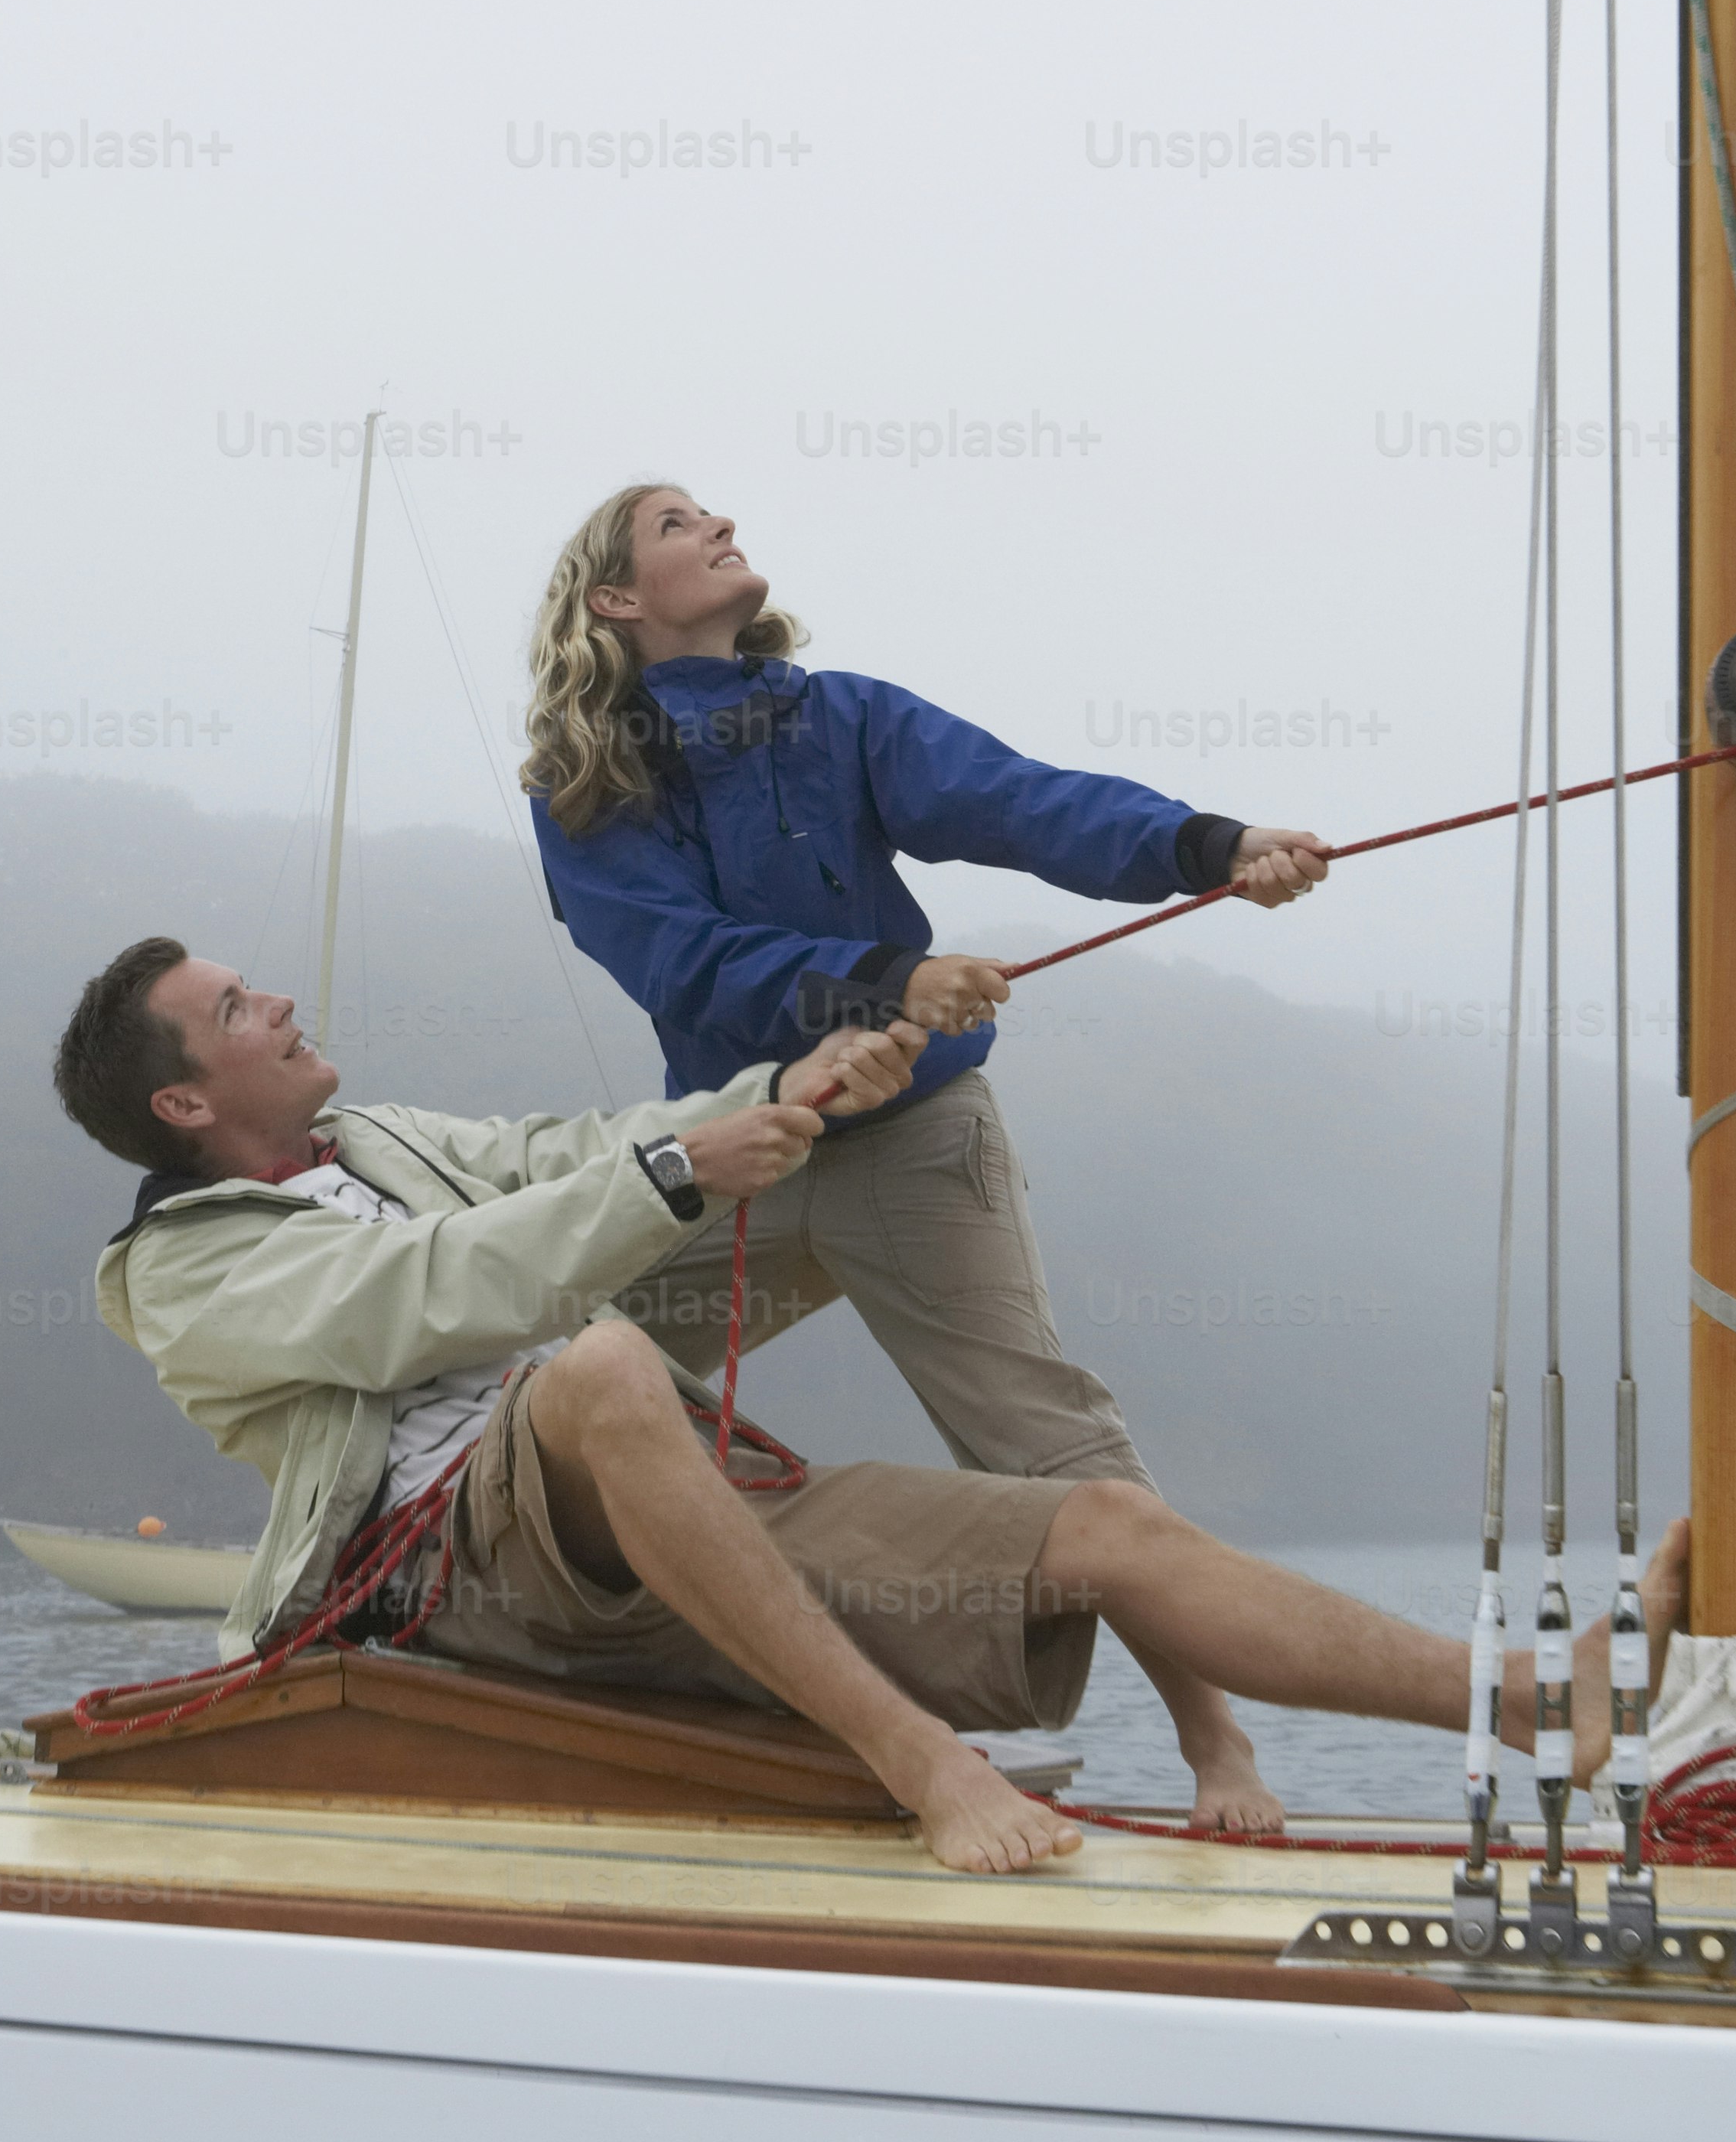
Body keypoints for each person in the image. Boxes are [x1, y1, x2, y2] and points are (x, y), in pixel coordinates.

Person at [58, 937, 1684, 1870]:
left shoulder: (385, 1139)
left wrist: (790, 1089)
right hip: (444, 1570)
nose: (278, 1002)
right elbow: (437, 1290)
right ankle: (922, 1762)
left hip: (649, 1488)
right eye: (237, 1008)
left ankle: (1530, 1699)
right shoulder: (181, 1270)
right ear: (185, 1099)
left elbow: (571, 1151)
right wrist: (679, 1174)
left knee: (1104, 1525)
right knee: (599, 1364)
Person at [519, 481, 1334, 1822]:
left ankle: (1216, 1741)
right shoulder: (585, 789)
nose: (718, 522)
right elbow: (682, 962)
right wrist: (889, 980)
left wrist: (1212, 846)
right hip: (738, 1153)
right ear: (615, 598)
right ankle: (562, 1679)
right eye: (675, 524)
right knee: (538, 1389)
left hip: (914, 1144)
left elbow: (1022, 804)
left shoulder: (844, 719)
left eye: (711, 511)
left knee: (1045, 1436)